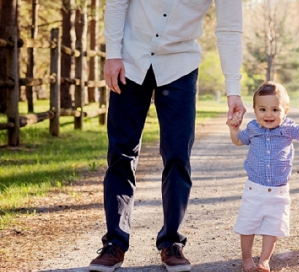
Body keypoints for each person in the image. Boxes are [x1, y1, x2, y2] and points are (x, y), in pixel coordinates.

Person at [88, 1, 246, 272]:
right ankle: (114, 243)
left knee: (177, 155)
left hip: (180, 66)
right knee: (121, 153)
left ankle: (172, 242)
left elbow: (230, 31)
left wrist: (233, 90)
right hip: (131, 59)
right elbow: (117, 3)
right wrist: (112, 54)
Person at [226, 82, 299, 272]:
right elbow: (237, 141)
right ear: (255, 110)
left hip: (278, 191)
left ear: (285, 110)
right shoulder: (252, 128)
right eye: (263, 109)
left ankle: (265, 259)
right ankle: (246, 258)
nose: (268, 115)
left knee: (272, 228)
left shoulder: (288, 128)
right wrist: (233, 127)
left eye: (275, 109)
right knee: (247, 225)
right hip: (254, 189)